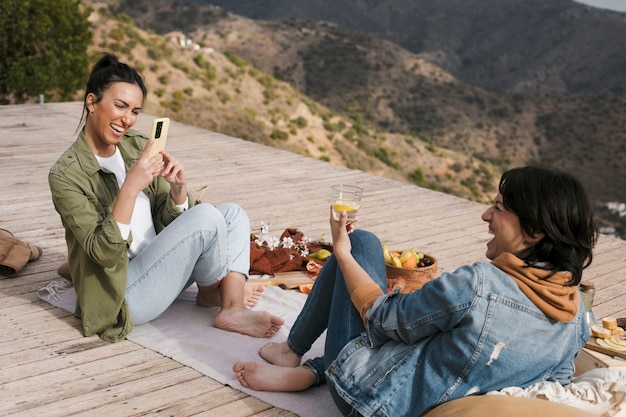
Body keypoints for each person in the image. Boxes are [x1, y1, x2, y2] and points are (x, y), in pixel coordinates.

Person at [232, 166, 598, 417]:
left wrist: (342, 252)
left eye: (499, 208)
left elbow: (383, 319)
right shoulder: (576, 317)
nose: (486, 215)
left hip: (373, 403)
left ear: (535, 234)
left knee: (362, 243)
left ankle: (295, 352)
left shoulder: (478, 285)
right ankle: (313, 369)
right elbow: (549, 389)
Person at [49, 51, 284, 343]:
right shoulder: (66, 175)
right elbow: (103, 254)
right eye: (120, 105)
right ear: (92, 103)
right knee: (207, 216)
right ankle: (221, 295)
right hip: (124, 292)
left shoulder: (135, 145)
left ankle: (224, 301)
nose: (127, 120)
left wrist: (177, 191)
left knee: (233, 214)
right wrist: (131, 188)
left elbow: (167, 220)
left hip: (163, 266)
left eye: (135, 111)